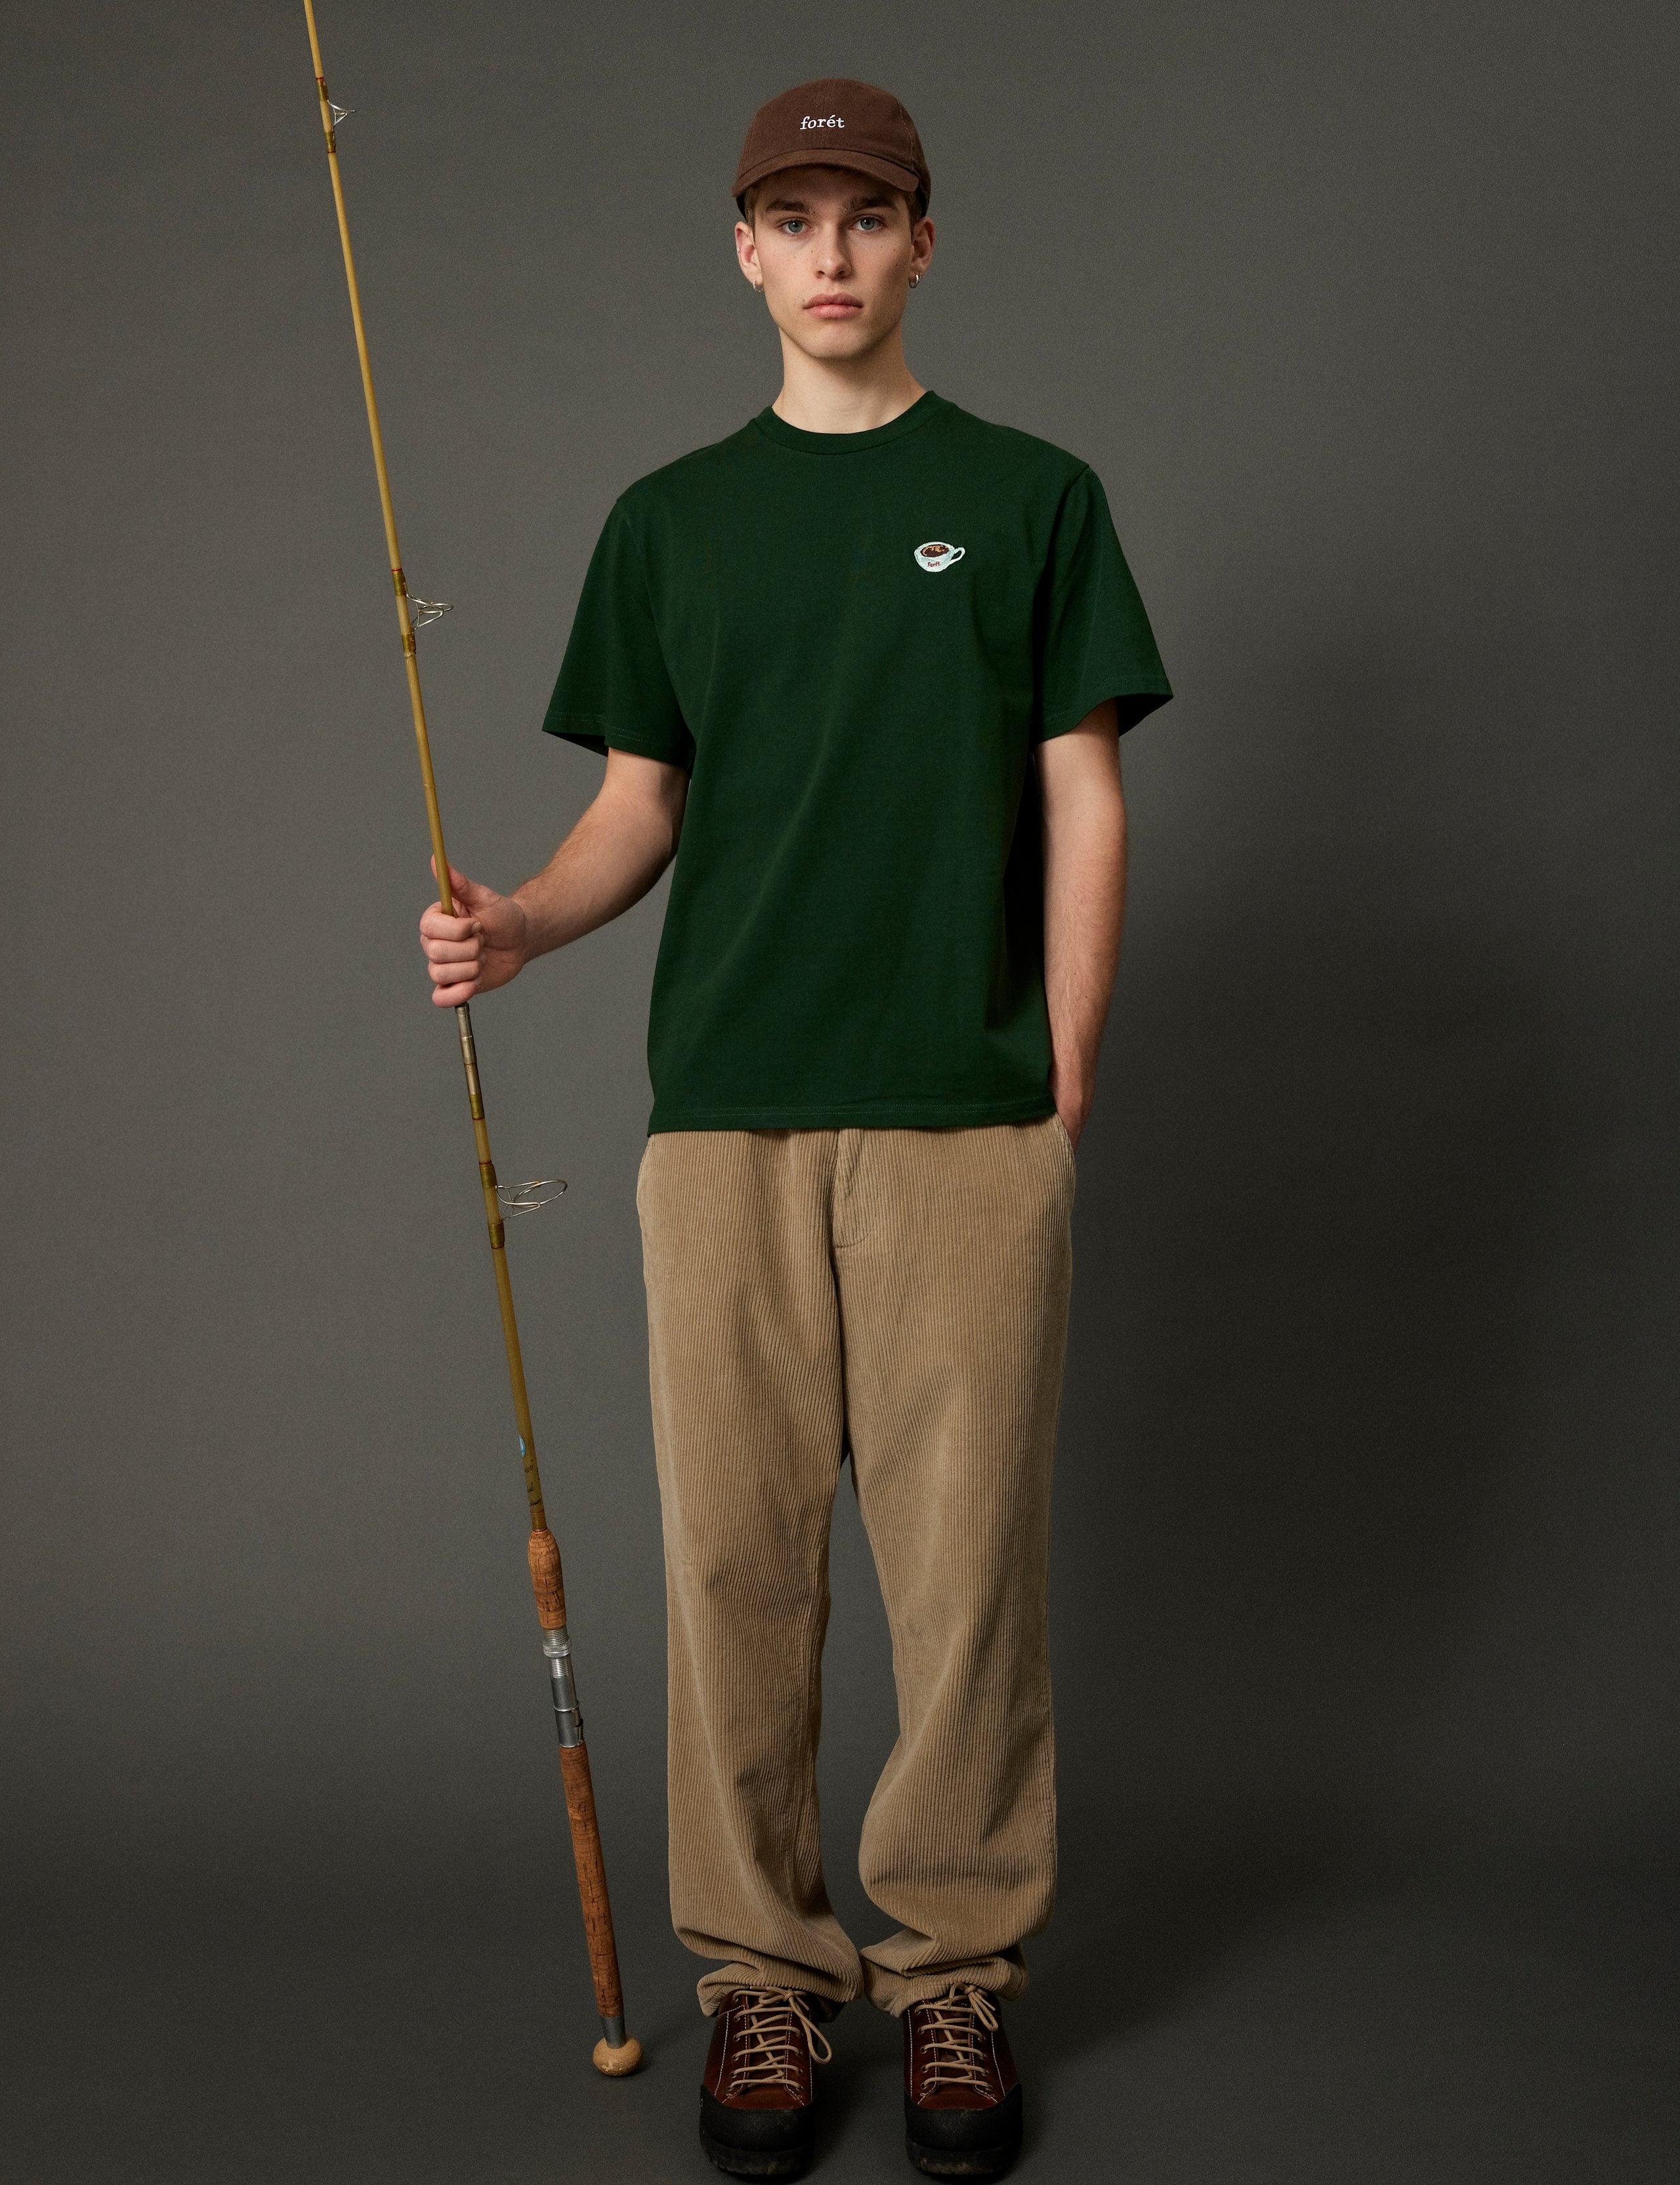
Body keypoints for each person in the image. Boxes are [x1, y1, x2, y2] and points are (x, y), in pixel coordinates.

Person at [419, 75, 1170, 2182]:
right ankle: (762, 1968)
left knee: (967, 1573)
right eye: (794, 218)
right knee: (735, 1563)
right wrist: (521, 921)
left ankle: (953, 1980)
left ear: (925, 241)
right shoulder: (670, 521)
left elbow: (1084, 789)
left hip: (963, 1120)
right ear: (742, 252)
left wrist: (1066, 1064)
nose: (832, 253)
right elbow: (637, 807)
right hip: (728, 1124)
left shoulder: (1033, 495)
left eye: (869, 213)